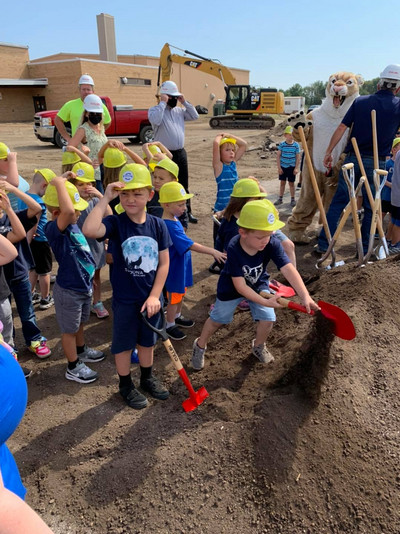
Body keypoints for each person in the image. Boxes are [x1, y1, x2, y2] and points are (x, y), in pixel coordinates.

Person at [82, 164, 172, 410]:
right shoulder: (115, 223)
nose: (130, 199)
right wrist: (105, 197)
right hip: (125, 299)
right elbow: (89, 230)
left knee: (147, 342)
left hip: (151, 300)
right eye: (125, 194)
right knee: (123, 344)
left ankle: (146, 377)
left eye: (138, 193)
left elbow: (164, 264)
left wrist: (155, 296)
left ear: (150, 195)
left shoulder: (158, 225)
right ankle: (125, 384)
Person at [191, 199, 319, 371]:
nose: (265, 240)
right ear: (243, 232)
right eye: (260, 237)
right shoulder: (234, 247)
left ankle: (258, 345)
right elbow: (240, 287)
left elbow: (288, 268)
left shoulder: (271, 241)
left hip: (259, 283)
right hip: (231, 288)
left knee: (268, 319)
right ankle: (200, 345)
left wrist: (305, 295)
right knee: (217, 320)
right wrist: (265, 301)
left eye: (269, 234)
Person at [318, 64, 400, 255]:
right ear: (397, 88)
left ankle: (324, 243)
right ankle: (364, 248)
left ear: (379, 84)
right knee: (372, 205)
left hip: (354, 158)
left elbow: (341, 128)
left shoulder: (361, 102)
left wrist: (329, 152)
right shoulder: (398, 105)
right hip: (378, 162)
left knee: (340, 201)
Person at [43, 177, 105, 383]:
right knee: (69, 329)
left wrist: (89, 278)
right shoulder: (54, 229)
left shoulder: (72, 226)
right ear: (56, 213)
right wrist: (60, 183)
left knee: (78, 324)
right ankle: (73, 366)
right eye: (76, 210)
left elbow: (82, 255)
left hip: (82, 286)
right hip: (68, 290)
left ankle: (81, 350)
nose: (78, 214)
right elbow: (68, 212)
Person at [159, 181, 226, 340]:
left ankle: (177, 316)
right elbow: (189, 245)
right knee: (175, 296)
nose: (184, 208)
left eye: (185, 204)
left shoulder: (173, 219)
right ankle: (169, 325)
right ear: (167, 205)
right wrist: (212, 251)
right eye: (180, 204)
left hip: (181, 264)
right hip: (175, 267)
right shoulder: (169, 225)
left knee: (180, 293)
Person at [0, 180, 51, 359]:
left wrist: (13, 190)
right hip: (1, 280)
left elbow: (37, 208)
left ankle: (34, 340)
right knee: (5, 316)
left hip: (19, 272)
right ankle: (8, 347)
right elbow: (19, 235)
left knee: (27, 310)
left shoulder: (14, 216)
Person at [148, 80, 199, 223]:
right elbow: (155, 120)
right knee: (163, 184)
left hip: (180, 152)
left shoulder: (179, 111)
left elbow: (195, 116)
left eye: (177, 97)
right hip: (164, 155)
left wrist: (184, 101)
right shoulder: (155, 110)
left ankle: (186, 213)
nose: (175, 100)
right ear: (165, 96)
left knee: (183, 183)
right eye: (173, 97)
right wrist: (163, 103)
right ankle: (164, 212)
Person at [68, 162, 112, 318]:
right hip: (78, 248)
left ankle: (97, 302)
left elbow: (109, 215)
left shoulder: (95, 202)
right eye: (80, 184)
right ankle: (81, 302)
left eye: (89, 183)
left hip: (95, 247)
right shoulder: (70, 204)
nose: (85, 187)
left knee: (96, 277)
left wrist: (102, 196)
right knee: (80, 277)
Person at [18, 169, 55, 310]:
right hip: (40, 240)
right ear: (44, 185)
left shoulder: (24, 196)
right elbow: (35, 222)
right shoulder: (39, 203)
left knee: (33, 269)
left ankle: (31, 294)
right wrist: (29, 238)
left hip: (30, 239)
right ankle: (46, 298)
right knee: (45, 271)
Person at [54, 74, 111, 145]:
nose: (86, 92)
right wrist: (67, 137)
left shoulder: (99, 105)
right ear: (79, 90)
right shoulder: (70, 105)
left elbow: (107, 122)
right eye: (83, 89)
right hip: (77, 145)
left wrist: (99, 132)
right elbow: (58, 120)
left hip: (96, 144)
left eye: (88, 89)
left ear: (93, 91)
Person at [69, 94, 108, 193]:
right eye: (93, 113)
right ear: (86, 114)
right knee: (99, 198)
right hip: (92, 171)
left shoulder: (101, 127)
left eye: (98, 113)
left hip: (104, 168)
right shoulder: (83, 129)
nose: (96, 116)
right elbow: (70, 148)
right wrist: (86, 159)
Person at [212, 133, 247, 213]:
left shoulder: (233, 163)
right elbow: (216, 144)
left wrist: (229, 135)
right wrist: (220, 136)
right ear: (220, 153)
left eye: (232, 150)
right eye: (227, 150)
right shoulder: (219, 166)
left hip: (233, 208)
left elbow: (243, 145)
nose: (231, 152)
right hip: (221, 210)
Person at [274, 126, 301, 207]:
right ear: (285, 135)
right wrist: (279, 168)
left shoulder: (296, 145)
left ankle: (292, 199)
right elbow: (278, 156)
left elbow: (298, 157)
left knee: (291, 183)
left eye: (293, 135)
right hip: (283, 167)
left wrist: (296, 168)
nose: (291, 136)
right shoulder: (282, 145)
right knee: (282, 183)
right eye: (289, 135)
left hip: (291, 167)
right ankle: (280, 198)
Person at [0, 143, 29, 212]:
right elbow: (13, 184)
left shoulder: (9, 173)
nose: (10, 162)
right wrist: (12, 162)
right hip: (10, 219)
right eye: (6, 160)